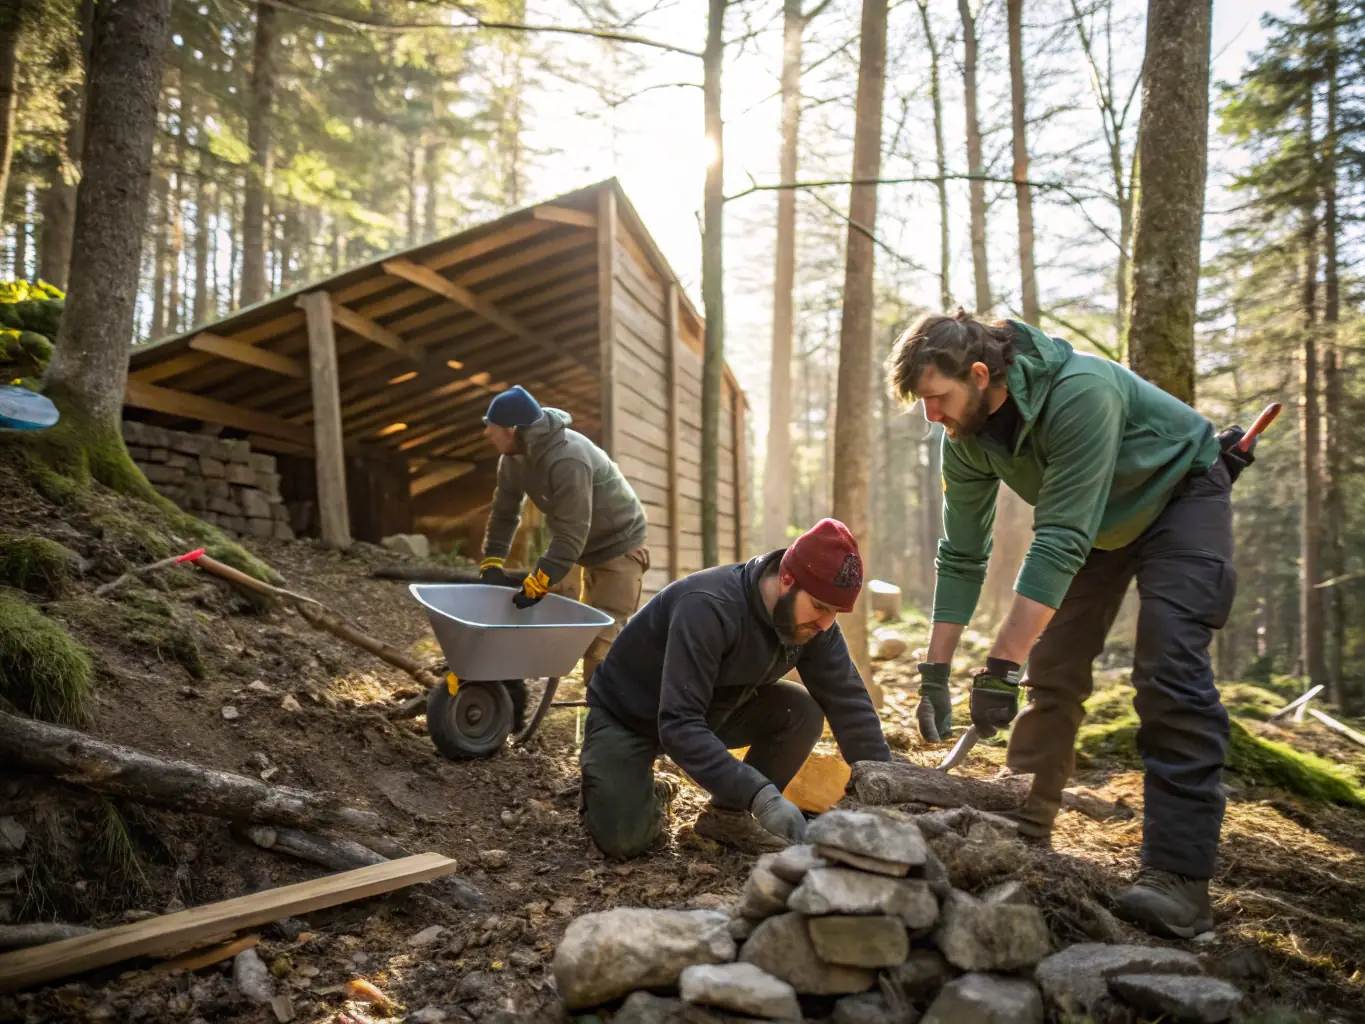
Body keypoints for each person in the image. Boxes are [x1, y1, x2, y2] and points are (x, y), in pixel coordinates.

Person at [888, 308, 1256, 940]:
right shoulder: (967, 438)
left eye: (937, 398)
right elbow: (962, 554)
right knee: (1053, 670)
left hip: (1182, 497)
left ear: (979, 375)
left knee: (1168, 671)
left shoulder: (1080, 391)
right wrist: (935, 671)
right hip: (1099, 523)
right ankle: (1023, 830)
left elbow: (1058, 541)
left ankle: (1178, 878)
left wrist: (1000, 666)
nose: (932, 416)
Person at [579, 518, 893, 858]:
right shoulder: (707, 606)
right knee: (623, 841)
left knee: (800, 710)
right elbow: (679, 724)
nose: (825, 624)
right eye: (820, 607)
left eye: (835, 613)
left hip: (714, 708)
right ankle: (631, 790)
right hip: (629, 715)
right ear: (787, 579)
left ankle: (726, 817)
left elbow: (849, 704)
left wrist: (886, 788)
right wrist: (762, 795)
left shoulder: (815, 625)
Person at [478, 385, 651, 686]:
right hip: (576, 546)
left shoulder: (567, 459)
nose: (486, 434)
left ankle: (607, 723)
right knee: (566, 631)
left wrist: (541, 580)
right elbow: (505, 511)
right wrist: (492, 562)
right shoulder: (512, 459)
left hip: (616, 545)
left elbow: (572, 531)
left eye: (490, 428)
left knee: (601, 642)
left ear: (511, 429)